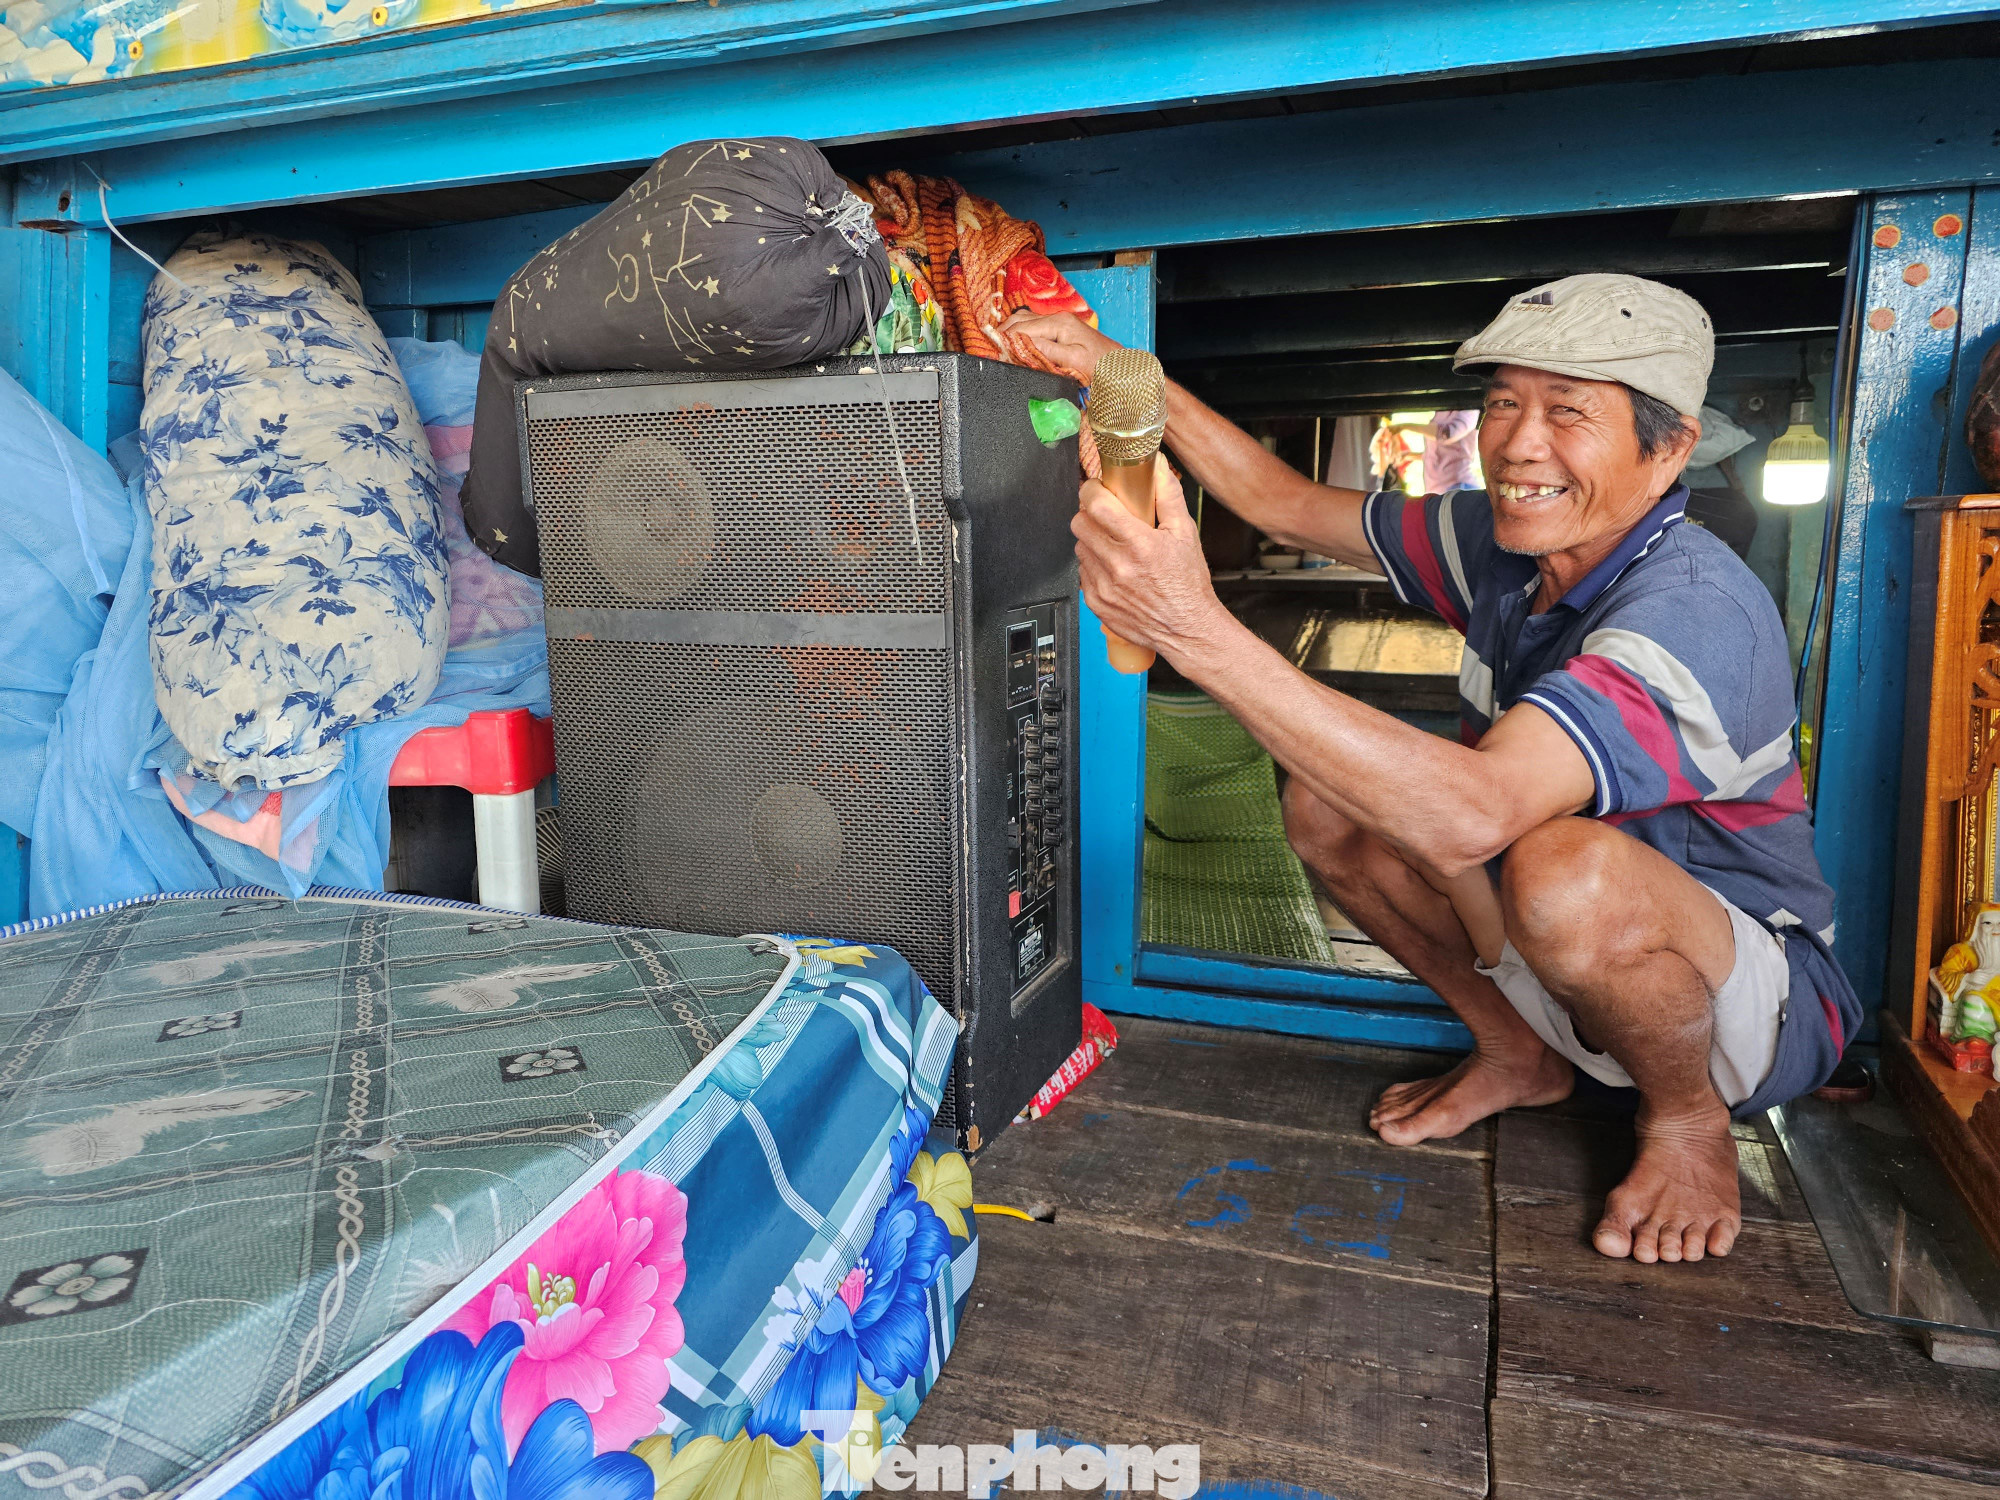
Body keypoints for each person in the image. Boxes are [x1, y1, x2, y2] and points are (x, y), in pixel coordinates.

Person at [1005, 274, 1859, 1265]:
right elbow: (1278, 503)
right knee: (1329, 799)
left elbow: (1472, 818)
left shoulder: (1693, 611)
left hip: (1745, 1012)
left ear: (1666, 449)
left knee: (1558, 866)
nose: (1518, 443)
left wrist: (1189, 629)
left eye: (1567, 413)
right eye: (1502, 402)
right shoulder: (1505, 541)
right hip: (1564, 959)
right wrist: (1121, 375)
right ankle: (1515, 1049)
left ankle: (1685, 1124)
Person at [1386, 409, 1480, 493]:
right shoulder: (1443, 409)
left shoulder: (1469, 410)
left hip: (1458, 488)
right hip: (1436, 493)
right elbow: (1442, 453)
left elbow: (1447, 434)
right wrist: (1409, 456)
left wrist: (1404, 426)